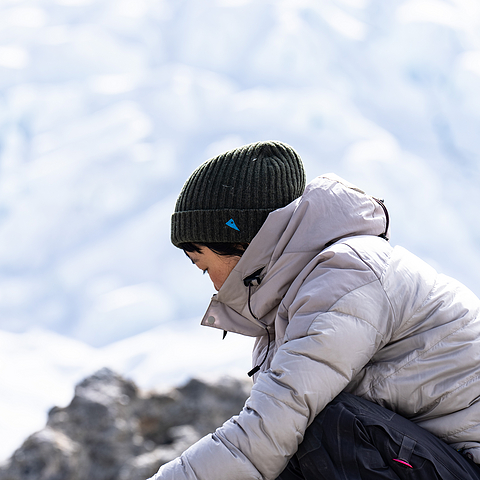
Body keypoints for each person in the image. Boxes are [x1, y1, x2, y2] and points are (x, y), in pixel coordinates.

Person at [149, 140, 480, 479]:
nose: (214, 286)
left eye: (203, 266)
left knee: (321, 425)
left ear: (239, 242)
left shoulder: (349, 275)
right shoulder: (296, 301)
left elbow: (267, 431)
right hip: (442, 462)